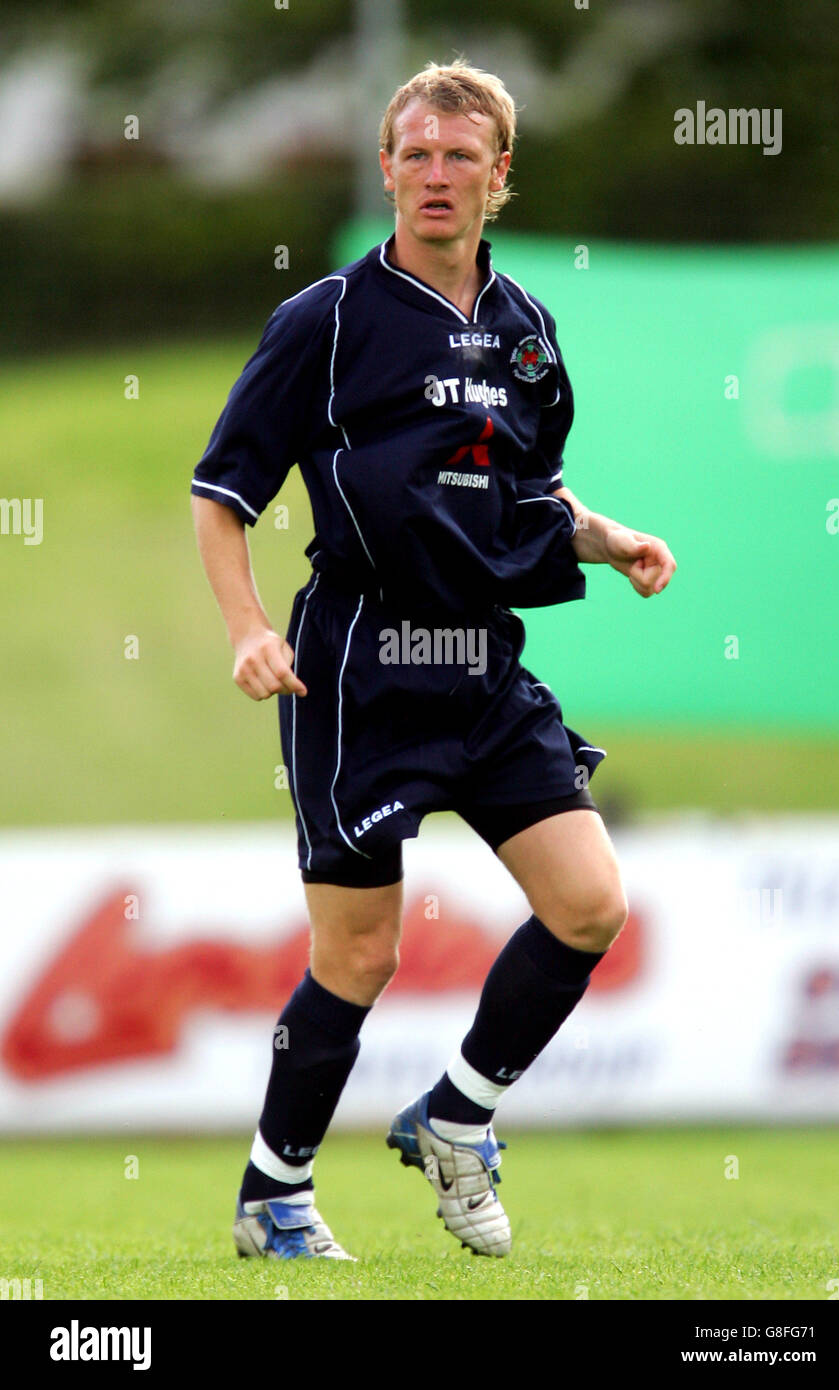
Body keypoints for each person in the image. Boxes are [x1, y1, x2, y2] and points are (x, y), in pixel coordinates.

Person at [190, 60, 676, 1262]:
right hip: (359, 664)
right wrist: (248, 629)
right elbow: (220, 493)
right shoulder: (326, 319)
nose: (436, 175)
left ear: (499, 177)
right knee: (360, 954)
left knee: (589, 903)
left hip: (485, 666)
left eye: (461, 157)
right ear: (386, 169)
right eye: (415, 154)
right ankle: (274, 1192)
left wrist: (607, 541)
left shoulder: (525, 329)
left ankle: (456, 1116)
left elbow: (530, 488)